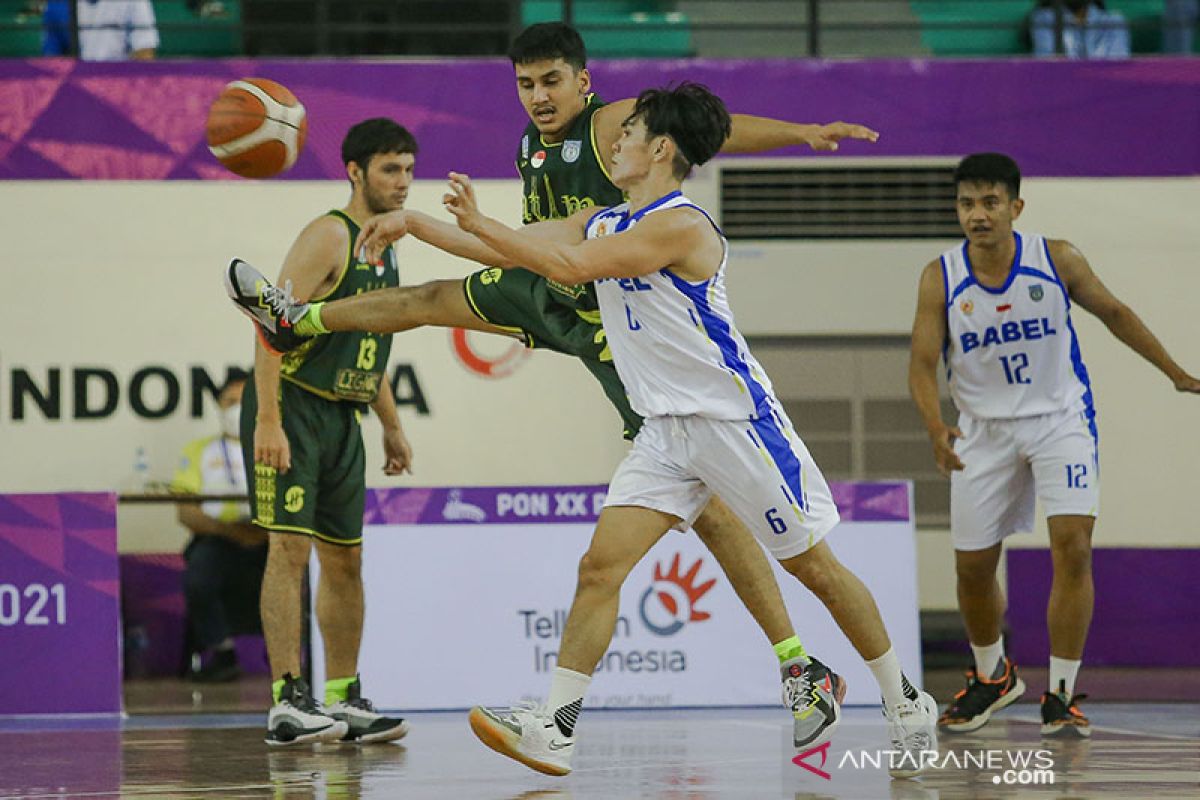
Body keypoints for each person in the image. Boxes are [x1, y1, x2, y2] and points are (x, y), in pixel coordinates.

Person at [225, 23, 922, 761]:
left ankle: (846, 681)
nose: (538, 97)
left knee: (778, 547)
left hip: (677, 376)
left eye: (551, 81)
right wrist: (421, 222)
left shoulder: (655, 190)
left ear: (594, 93)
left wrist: (801, 133)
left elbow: (704, 132)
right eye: (525, 84)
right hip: (590, 323)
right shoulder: (581, 190)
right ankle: (297, 319)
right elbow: (547, 247)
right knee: (438, 306)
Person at [908, 153, 1200, 738]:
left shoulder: (1056, 258)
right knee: (972, 568)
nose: (978, 214)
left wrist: (1174, 371)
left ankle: (1061, 693)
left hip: (1059, 420)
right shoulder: (940, 275)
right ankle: (993, 677)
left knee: (1073, 547)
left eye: (990, 202)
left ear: (1016, 206)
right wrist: (936, 427)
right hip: (982, 430)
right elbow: (919, 362)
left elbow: (1115, 312)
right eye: (967, 203)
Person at [229, 118, 417, 747]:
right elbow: (268, 325)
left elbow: (373, 341)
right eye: (391, 170)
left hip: (345, 417)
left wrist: (391, 425)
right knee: (290, 550)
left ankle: (343, 697)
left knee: (348, 559)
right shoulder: (326, 236)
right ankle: (286, 699)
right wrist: (269, 418)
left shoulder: (386, 247)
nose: (404, 182)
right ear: (355, 172)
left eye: (409, 169)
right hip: (294, 409)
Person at [171, 371, 268, 683]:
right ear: (218, 407)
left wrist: (262, 533)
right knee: (199, 576)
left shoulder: (275, 445)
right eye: (229, 402)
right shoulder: (197, 451)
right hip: (220, 537)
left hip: (270, 538)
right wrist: (232, 532)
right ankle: (222, 652)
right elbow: (186, 513)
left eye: (244, 402)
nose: (236, 409)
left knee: (298, 573)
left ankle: (289, 655)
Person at [42, 0, 160, 60]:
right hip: (77, 89)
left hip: (120, 84)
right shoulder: (57, 5)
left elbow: (145, 53)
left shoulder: (134, 1)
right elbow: (53, 61)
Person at [1030, 0, 1130, 59]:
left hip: (1106, 91)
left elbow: (1118, 67)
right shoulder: (1044, 19)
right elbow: (1048, 67)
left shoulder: (1114, 22)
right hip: (1064, 91)